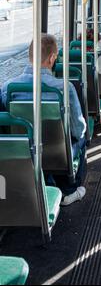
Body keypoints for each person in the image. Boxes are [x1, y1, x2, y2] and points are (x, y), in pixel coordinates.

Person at [1, 33, 87, 206]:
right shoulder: (64, 88)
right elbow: (78, 129)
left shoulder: (8, 87)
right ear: (52, 58)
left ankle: (46, 180)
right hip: (58, 152)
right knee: (82, 135)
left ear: (30, 56)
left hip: (24, 151)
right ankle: (69, 189)